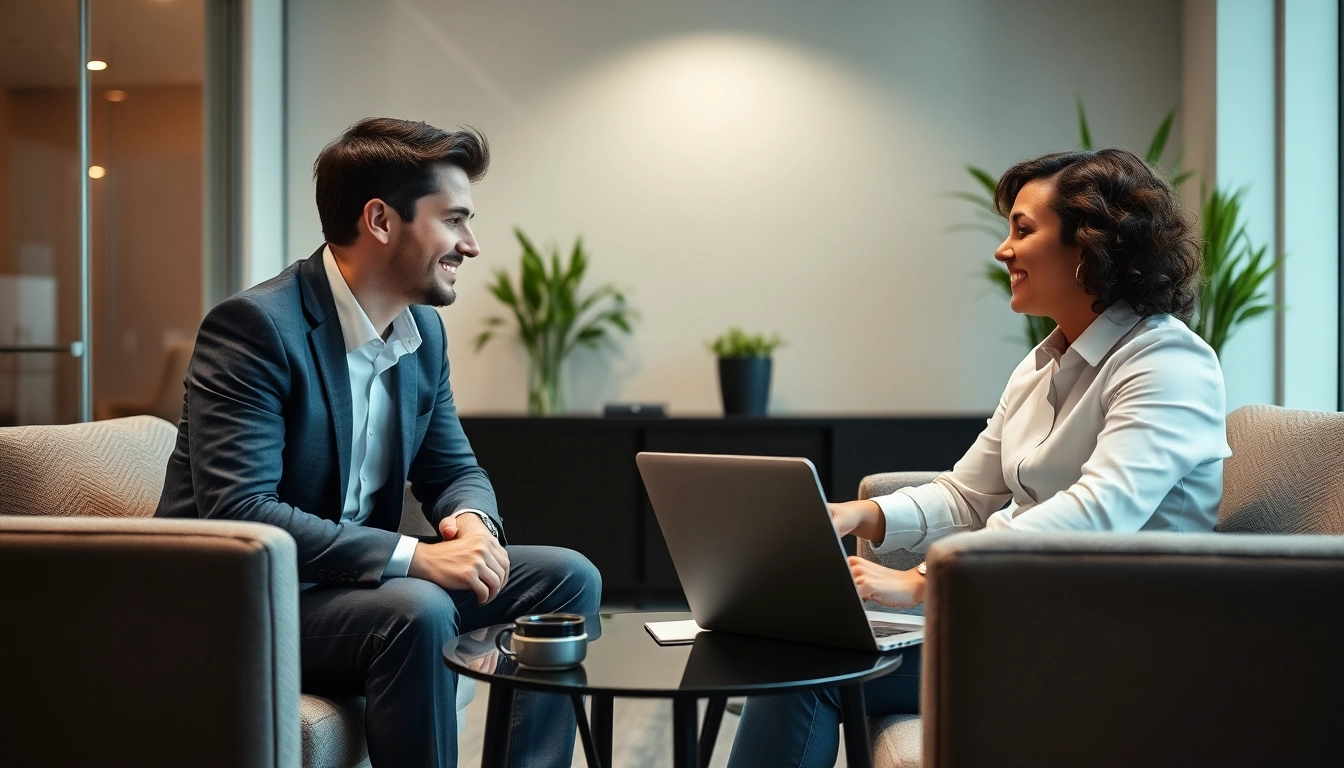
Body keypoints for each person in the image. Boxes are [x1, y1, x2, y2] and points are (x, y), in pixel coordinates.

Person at [727, 148, 1231, 768]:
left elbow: (1099, 515)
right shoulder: (1043, 362)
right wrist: (855, 515)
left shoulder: (1166, 364)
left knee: (814, 666)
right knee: (803, 651)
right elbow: (966, 493)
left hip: (1119, 645)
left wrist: (920, 580)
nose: (1003, 249)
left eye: (1023, 230)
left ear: (1091, 248)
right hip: (1028, 621)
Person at [157, 118, 601, 768]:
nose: (470, 245)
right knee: (415, 608)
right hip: (244, 600)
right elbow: (241, 513)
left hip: (355, 586)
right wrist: (418, 559)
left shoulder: (421, 331)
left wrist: (474, 525)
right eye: (453, 220)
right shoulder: (256, 328)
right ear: (381, 221)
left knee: (567, 578)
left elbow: (454, 466)